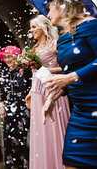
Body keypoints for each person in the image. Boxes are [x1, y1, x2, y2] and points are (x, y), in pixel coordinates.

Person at [30, 0, 97, 168]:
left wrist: (72, 77)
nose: (46, 12)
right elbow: (70, 70)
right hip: (80, 113)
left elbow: (76, 72)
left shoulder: (91, 26)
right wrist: (56, 93)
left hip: (95, 104)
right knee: (71, 160)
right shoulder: (64, 39)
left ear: (62, 5)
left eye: (48, 7)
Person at [25, 15, 70, 169]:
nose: (31, 31)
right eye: (30, 28)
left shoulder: (55, 44)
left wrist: (47, 70)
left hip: (53, 89)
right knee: (41, 132)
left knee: (54, 127)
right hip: (38, 92)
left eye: (34, 27)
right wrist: (31, 91)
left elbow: (67, 68)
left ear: (44, 27)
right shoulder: (34, 49)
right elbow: (33, 74)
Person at [0, 46, 31, 169]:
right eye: (5, 57)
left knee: (22, 136)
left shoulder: (25, 71)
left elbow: (31, 88)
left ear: (17, 57)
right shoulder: (4, 72)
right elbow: (1, 92)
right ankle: (11, 165)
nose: (7, 59)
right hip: (9, 108)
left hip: (23, 107)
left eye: (10, 56)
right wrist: (1, 105)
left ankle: (25, 165)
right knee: (9, 137)